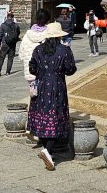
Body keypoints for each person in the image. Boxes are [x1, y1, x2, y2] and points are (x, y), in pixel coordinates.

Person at [27, 22, 77, 171]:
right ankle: (47, 151)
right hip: (57, 86)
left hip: (41, 85)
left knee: (43, 117)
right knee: (56, 118)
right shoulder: (64, 50)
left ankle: (47, 151)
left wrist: (43, 71)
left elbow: (32, 68)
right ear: (59, 36)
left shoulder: (38, 49)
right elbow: (70, 69)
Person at [19, 8, 50, 105]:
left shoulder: (28, 34)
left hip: (30, 69)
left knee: (34, 93)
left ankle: (34, 111)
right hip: (45, 70)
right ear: (47, 20)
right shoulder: (49, 34)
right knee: (45, 94)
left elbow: (21, 53)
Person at [0, 11, 21, 76]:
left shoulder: (3, 25)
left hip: (5, 44)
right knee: (10, 58)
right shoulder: (16, 25)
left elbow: (0, 35)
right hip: (12, 44)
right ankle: (8, 72)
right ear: (13, 18)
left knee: (1, 58)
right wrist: (15, 40)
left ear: (7, 17)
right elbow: (18, 33)